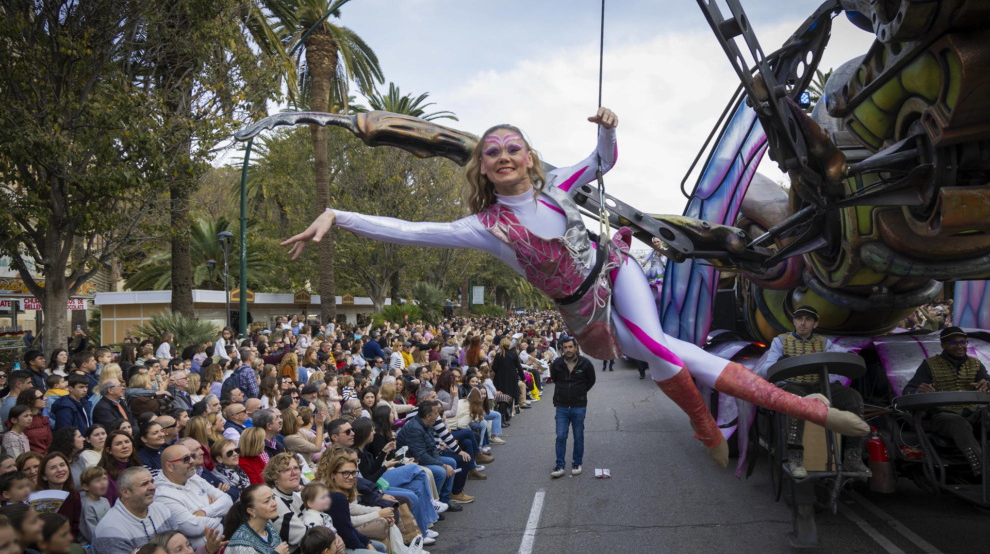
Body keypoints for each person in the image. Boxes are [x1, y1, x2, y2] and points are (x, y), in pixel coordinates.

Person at [283, 108, 869, 467]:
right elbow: (410, 232)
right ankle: (770, 412)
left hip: (618, 271)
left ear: (529, 159)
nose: (505, 156)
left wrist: (609, 132)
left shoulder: (561, 185)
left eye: (514, 148)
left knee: (661, 347)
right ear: (483, 168)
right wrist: (338, 214)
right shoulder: (485, 229)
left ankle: (718, 421)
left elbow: (602, 160)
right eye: (493, 153)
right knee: (665, 351)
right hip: (583, 316)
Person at [755, 306, 871, 479]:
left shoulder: (824, 343)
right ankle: (795, 457)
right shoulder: (780, 341)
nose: (803, 323)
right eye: (799, 319)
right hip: (791, 385)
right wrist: (779, 362)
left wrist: (845, 359)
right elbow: (765, 369)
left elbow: (837, 363)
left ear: (815, 323)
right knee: (797, 401)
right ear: (794, 321)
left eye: (808, 320)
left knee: (853, 398)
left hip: (818, 385)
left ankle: (852, 457)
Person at [903, 326, 990, 476]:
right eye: (953, 343)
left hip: (972, 414)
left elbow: (987, 380)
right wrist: (918, 391)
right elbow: (908, 391)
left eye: (963, 342)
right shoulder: (929, 365)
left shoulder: (975, 364)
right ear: (943, 345)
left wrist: (987, 384)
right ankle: (983, 471)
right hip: (942, 417)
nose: (960, 346)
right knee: (958, 422)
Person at [154, 445, 233, 549]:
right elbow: (193, 528)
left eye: (192, 456)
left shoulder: (193, 476)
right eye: (186, 459)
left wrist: (204, 512)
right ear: (169, 466)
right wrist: (219, 515)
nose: (192, 461)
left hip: (218, 544)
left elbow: (228, 501)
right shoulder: (162, 495)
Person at [549, 336, 595, 478]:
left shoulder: (585, 363)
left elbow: (591, 381)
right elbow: (555, 379)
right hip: (561, 406)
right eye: (565, 347)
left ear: (575, 347)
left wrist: (579, 393)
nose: (568, 350)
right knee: (561, 436)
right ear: (562, 348)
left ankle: (577, 462)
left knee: (578, 436)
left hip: (578, 405)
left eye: (570, 347)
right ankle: (560, 465)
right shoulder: (557, 363)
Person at [78, 466, 111, 545]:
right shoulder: (86, 505)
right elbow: (91, 533)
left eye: (104, 478)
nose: (103, 483)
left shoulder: (105, 500)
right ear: (86, 486)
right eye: (97, 481)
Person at [15, 389, 52, 453]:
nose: (45, 398)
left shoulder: (44, 420)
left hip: (45, 457)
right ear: (30, 400)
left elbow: (49, 441)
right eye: (41, 397)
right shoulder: (18, 420)